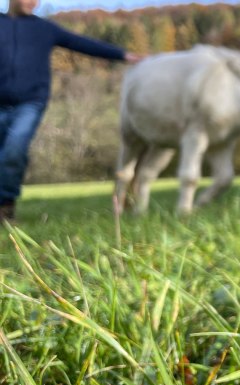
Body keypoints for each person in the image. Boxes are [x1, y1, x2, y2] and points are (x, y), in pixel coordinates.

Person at [0, 0, 142, 222]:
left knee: (14, 150)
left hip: (29, 103)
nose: (32, 2)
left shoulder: (45, 29)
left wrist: (124, 55)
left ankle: (5, 208)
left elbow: (82, 43)